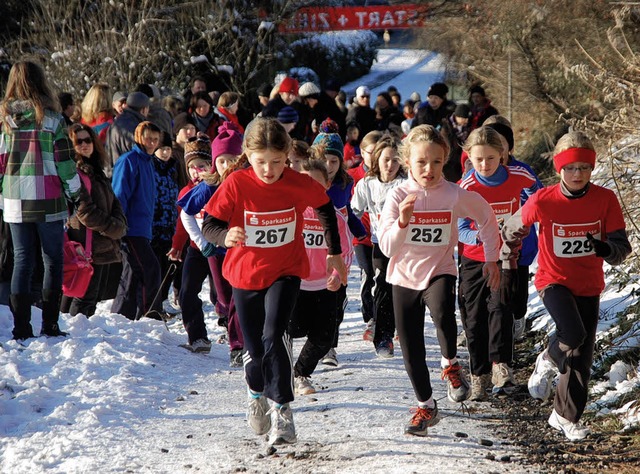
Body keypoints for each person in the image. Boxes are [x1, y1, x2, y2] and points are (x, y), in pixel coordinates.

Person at [200, 117, 347, 447]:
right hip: (245, 275)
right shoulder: (237, 183)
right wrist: (225, 236)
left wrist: (334, 253)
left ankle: (283, 411)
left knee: (274, 336)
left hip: (285, 272)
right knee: (254, 348)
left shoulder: (296, 182)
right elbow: (209, 225)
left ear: (287, 156)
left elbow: (325, 206)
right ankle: (255, 394)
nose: (269, 169)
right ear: (248, 157)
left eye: (277, 162)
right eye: (261, 162)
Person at [501, 131, 631, 441]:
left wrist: (605, 249)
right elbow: (510, 228)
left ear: (591, 169)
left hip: (588, 284)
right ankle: (547, 358)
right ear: (559, 169)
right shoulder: (544, 199)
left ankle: (563, 416)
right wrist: (508, 268)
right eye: (570, 168)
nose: (577, 174)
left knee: (581, 359)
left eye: (584, 168)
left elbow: (621, 247)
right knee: (572, 334)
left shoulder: (605, 199)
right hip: (553, 281)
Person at [377, 125, 500, 436]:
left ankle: (450, 364)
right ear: (408, 162)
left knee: (444, 310)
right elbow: (388, 248)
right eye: (421, 162)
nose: (428, 169)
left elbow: (485, 216)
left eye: (435, 162)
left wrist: (491, 259)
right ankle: (426, 405)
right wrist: (403, 222)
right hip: (403, 277)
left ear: (445, 160)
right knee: (411, 348)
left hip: (440, 269)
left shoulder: (454, 194)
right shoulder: (398, 195)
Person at [0, 60, 82, 339]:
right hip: (48, 197)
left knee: (21, 261)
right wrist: (76, 192)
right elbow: (65, 164)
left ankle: (21, 327)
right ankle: (50, 324)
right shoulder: (52, 120)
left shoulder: (3, 120)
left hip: (13, 198)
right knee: (52, 260)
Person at [458, 126, 540, 400]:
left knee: (501, 309)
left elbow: (538, 198)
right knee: (474, 318)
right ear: (469, 156)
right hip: (475, 258)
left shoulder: (518, 175)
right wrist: (481, 236)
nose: (484, 164)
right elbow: (458, 228)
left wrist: (523, 221)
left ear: (502, 154)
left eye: (490, 158)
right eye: (478, 159)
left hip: (506, 256)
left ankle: (501, 367)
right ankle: (478, 374)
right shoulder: (467, 185)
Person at [290, 159, 354, 395]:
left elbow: (346, 252)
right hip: (295, 284)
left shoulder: (335, 217)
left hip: (325, 286)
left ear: (327, 185)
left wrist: (338, 274)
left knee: (324, 337)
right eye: (304, 183)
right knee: (291, 329)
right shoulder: (291, 212)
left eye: (316, 184)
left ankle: (301, 373)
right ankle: (278, 366)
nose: (310, 190)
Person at [483, 115, 544, 341]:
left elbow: (539, 198)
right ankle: (493, 329)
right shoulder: (480, 174)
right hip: (489, 245)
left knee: (517, 293)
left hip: (520, 244)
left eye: (501, 144)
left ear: (509, 147)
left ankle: (518, 318)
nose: (497, 150)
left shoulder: (522, 170)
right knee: (492, 293)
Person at [311, 119, 366, 367]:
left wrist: (359, 230)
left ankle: (330, 347)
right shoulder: (306, 182)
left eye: (334, 161)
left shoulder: (345, 183)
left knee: (336, 299)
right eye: (324, 161)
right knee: (315, 300)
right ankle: (316, 342)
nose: (329, 166)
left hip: (340, 249)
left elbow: (347, 212)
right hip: (312, 250)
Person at [61, 124, 127, 317]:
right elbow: (84, 211)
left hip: (101, 243)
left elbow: (114, 202)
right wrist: (113, 227)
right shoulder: (74, 173)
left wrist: (119, 223)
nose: (84, 145)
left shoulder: (97, 171)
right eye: (78, 141)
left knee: (90, 298)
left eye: (88, 140)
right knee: (83, 299)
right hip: (85, 245)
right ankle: (74, 339)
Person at [351, 133, 406, 357]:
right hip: (380, 243)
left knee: (403, 288)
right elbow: (353, 212)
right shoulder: (367, 184)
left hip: (405, 245)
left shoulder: (406, 184)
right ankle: (383, 338)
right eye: (386, 160)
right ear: (376, 161)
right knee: (382, 286)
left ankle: (406, 328)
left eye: (395, 160)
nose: (391, 165)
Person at [111, 121, 164, 321]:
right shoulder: (129, 160)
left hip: (144, 226)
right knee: (150, 267)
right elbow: (119, 195)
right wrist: (118, 223)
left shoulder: (149, 162)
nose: (151, 143)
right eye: (148, 138)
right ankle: (150, 314)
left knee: (132, 272)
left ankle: (122, 315)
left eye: (155, 139)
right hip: (130, 227)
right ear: (139, 137)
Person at [348, 130, 383, 341]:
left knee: (382, 278)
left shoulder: (388, 174)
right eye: (371, 152)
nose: (376, 157)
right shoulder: (352, 176)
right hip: (361, 236)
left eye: (379, 152)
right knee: (367, 274)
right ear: (362, 152)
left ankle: (384, 318)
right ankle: (370, 317)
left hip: (383, 236)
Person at [151, 132, 180, 305]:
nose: (165, 152)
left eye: (168, 148)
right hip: (155, 227)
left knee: (169, 268)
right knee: (157, 268)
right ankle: (155, 301)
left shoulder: (172, 168)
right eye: (161, 148)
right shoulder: (152, 168)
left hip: (170, 226)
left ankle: (162, 300)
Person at [106, 91, 150, 173]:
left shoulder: (115, 123)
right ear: (144, 110)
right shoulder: (137, 128)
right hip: (129, 175)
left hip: (114, 173)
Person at [440, 103, 471, 183]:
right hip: (449, 164)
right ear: (457, 117)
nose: (466, 120)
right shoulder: (446, 128)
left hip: (461, 163)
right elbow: (448, 147)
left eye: (467, 118)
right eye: (463, 118)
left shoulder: (468, 128)